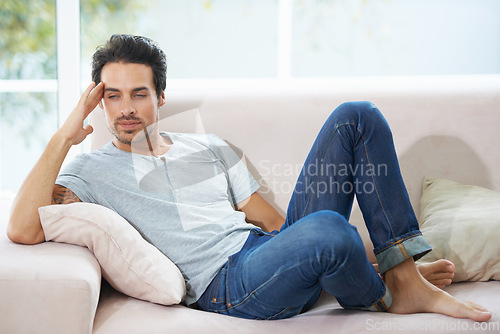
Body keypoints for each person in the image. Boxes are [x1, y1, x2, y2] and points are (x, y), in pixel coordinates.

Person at [7, 34, 491, 321]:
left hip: (261, 253)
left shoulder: (209, 145)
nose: (127, 109)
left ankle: (400, 273)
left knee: (357, 115)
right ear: (99, 100)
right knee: (331, 232)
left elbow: (279, 227)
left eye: (139, 94)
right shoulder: (89, 171)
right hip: (226, 286)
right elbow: (23, 228)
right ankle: (389, 290)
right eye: (112, 96)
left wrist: (356, 253)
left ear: (159, 97)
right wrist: (66, 135)